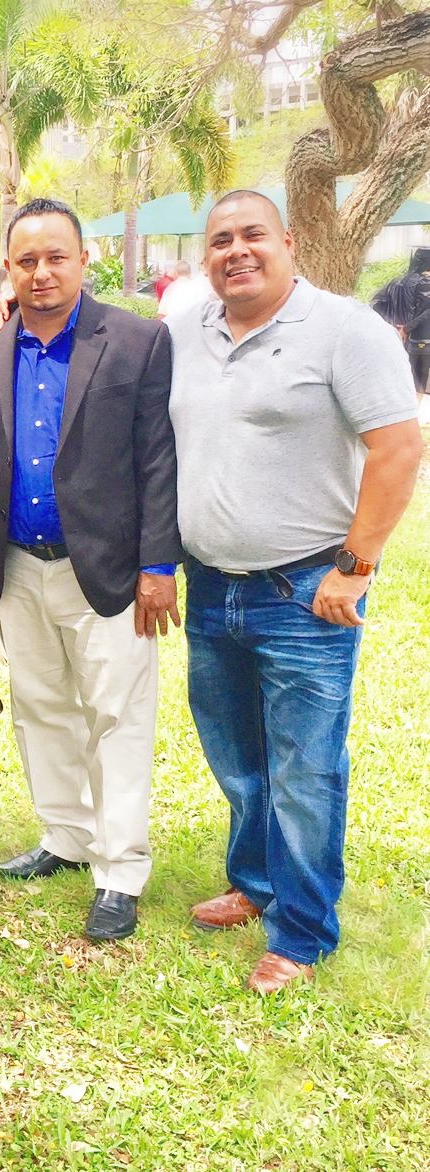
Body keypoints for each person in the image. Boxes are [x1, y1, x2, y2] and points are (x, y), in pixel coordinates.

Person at [168, 190, 422, 992]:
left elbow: (398, 446)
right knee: (237, 757)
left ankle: (304, 931)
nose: (235, 252)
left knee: (306, 770)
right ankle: (256, 882)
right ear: (205, 256)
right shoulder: (185, 331)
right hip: (211, 587)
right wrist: (6, 312)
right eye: (220, 241)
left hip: (308, 593)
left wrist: (358, 566)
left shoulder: (347, 330)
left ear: (290, 242)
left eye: (253, 236)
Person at [0, 197, 180, 941]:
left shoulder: (138, 340)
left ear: (85, 260)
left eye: (57, 257)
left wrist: (158, 564)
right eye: (26, 260)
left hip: (110, 569)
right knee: (42, 706)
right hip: (17, 566)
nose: (42, 272)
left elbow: (157, 458)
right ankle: (66, 836)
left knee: (117, 717)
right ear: (7, 269)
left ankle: (120, 872)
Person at [371, 249, 430, 399]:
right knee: (418, 380)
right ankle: (413, 412)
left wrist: (394, 325)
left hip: (395, 337)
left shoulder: (395, 282)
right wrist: (407, 327)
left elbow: (376, 302)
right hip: (418, 339)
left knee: (397, 377)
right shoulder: (425, 283)